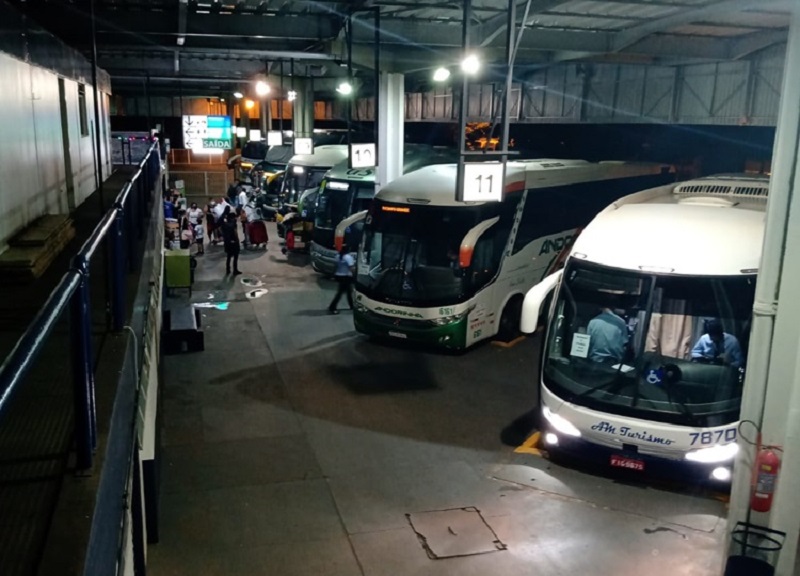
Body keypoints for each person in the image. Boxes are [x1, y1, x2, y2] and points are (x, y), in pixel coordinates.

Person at [328, 246, 355, 314]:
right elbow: (351, 268)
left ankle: (352, 306)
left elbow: (335, 266)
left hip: (339, 275)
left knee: (349, 291)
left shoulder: (337, 256)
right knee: (340, 293)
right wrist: (355, 276)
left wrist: (332, 275)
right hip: (346, 276)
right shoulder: (348, 257)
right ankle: (332, 307)